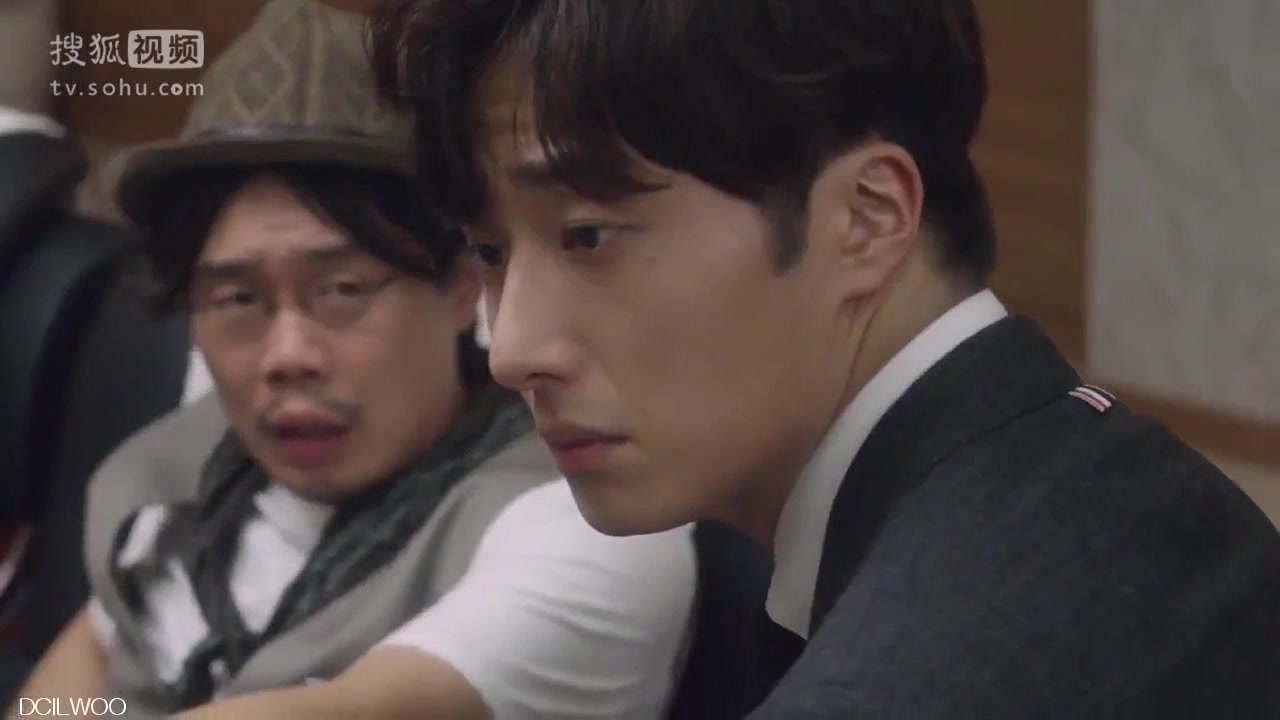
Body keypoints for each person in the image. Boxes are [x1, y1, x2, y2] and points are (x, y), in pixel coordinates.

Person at [369, 0, 1280, 716]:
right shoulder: (1079, 457)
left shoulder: (910, 679)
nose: (511, 349)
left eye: (587, 235)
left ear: (865, 219)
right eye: (489, 251)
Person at [13, 1, 695, 718]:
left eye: (341, 291)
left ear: (462, 288)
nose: (288, 356)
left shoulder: (584, 522)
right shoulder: (190, 473)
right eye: (239, 299)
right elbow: (76, 682)